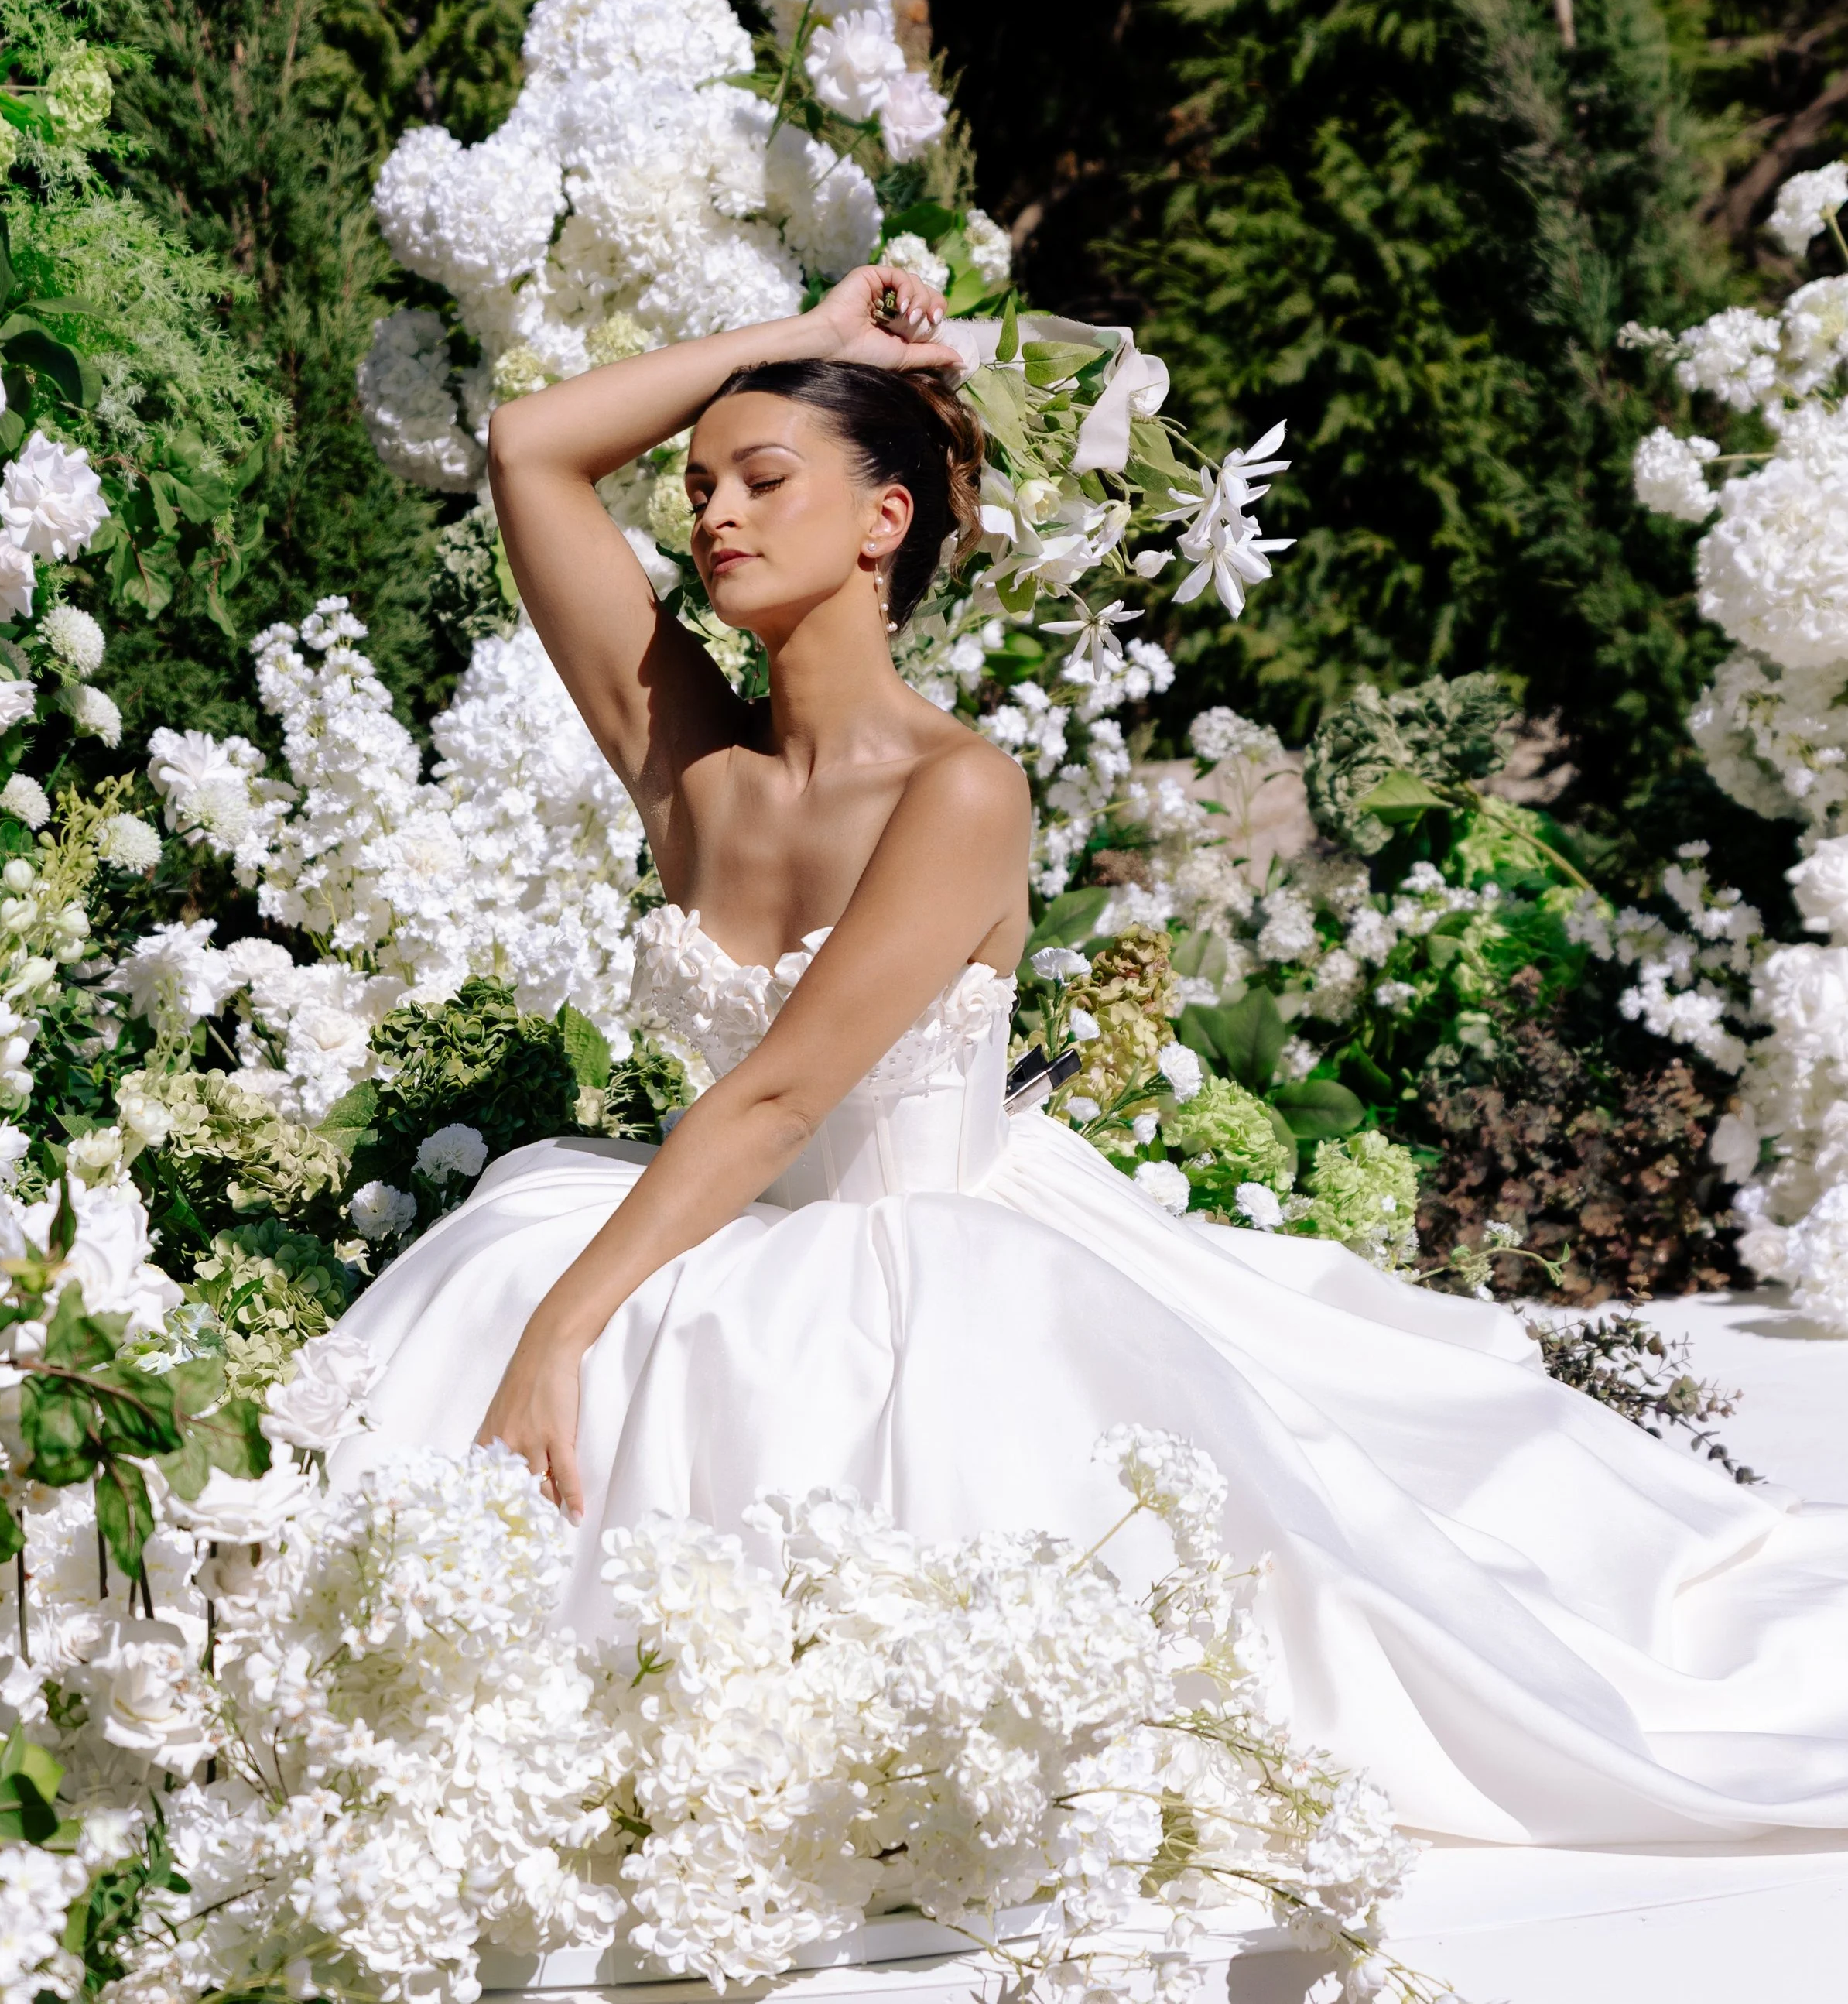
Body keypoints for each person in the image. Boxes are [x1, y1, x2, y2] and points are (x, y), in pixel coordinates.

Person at [335, 263, 1848, 1858]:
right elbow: (526, 449)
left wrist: (568, 1320)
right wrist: (814, 341)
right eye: (698, 487)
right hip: (711, 1230)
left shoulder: (960, 788)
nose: (711, 512)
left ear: (883, 521)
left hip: (934, 1282)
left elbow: (783, 1091)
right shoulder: (688, 762)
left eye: (763, 478)